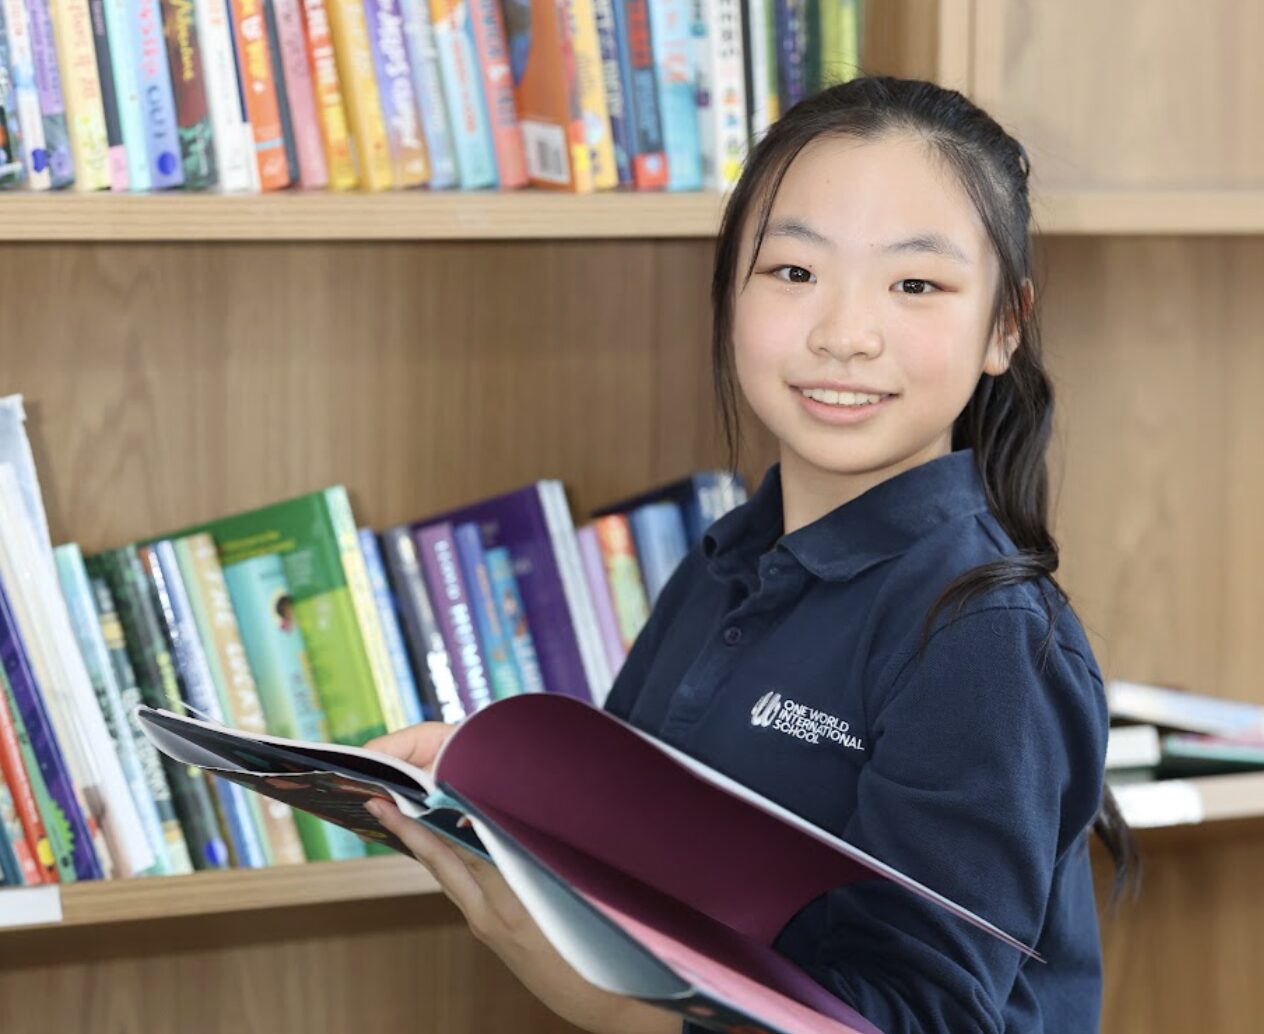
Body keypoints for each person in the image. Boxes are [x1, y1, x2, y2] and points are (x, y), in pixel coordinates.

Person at [364, 75, 1133, 1034]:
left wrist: (599, 1000)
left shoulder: (984, 640)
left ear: (1003, 327)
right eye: (794, 272)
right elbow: (641, 859)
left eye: (916, 285)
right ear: (731, 288)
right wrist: (473, 787)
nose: (844, 335)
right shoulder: (728, 558)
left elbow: (918, 1019)